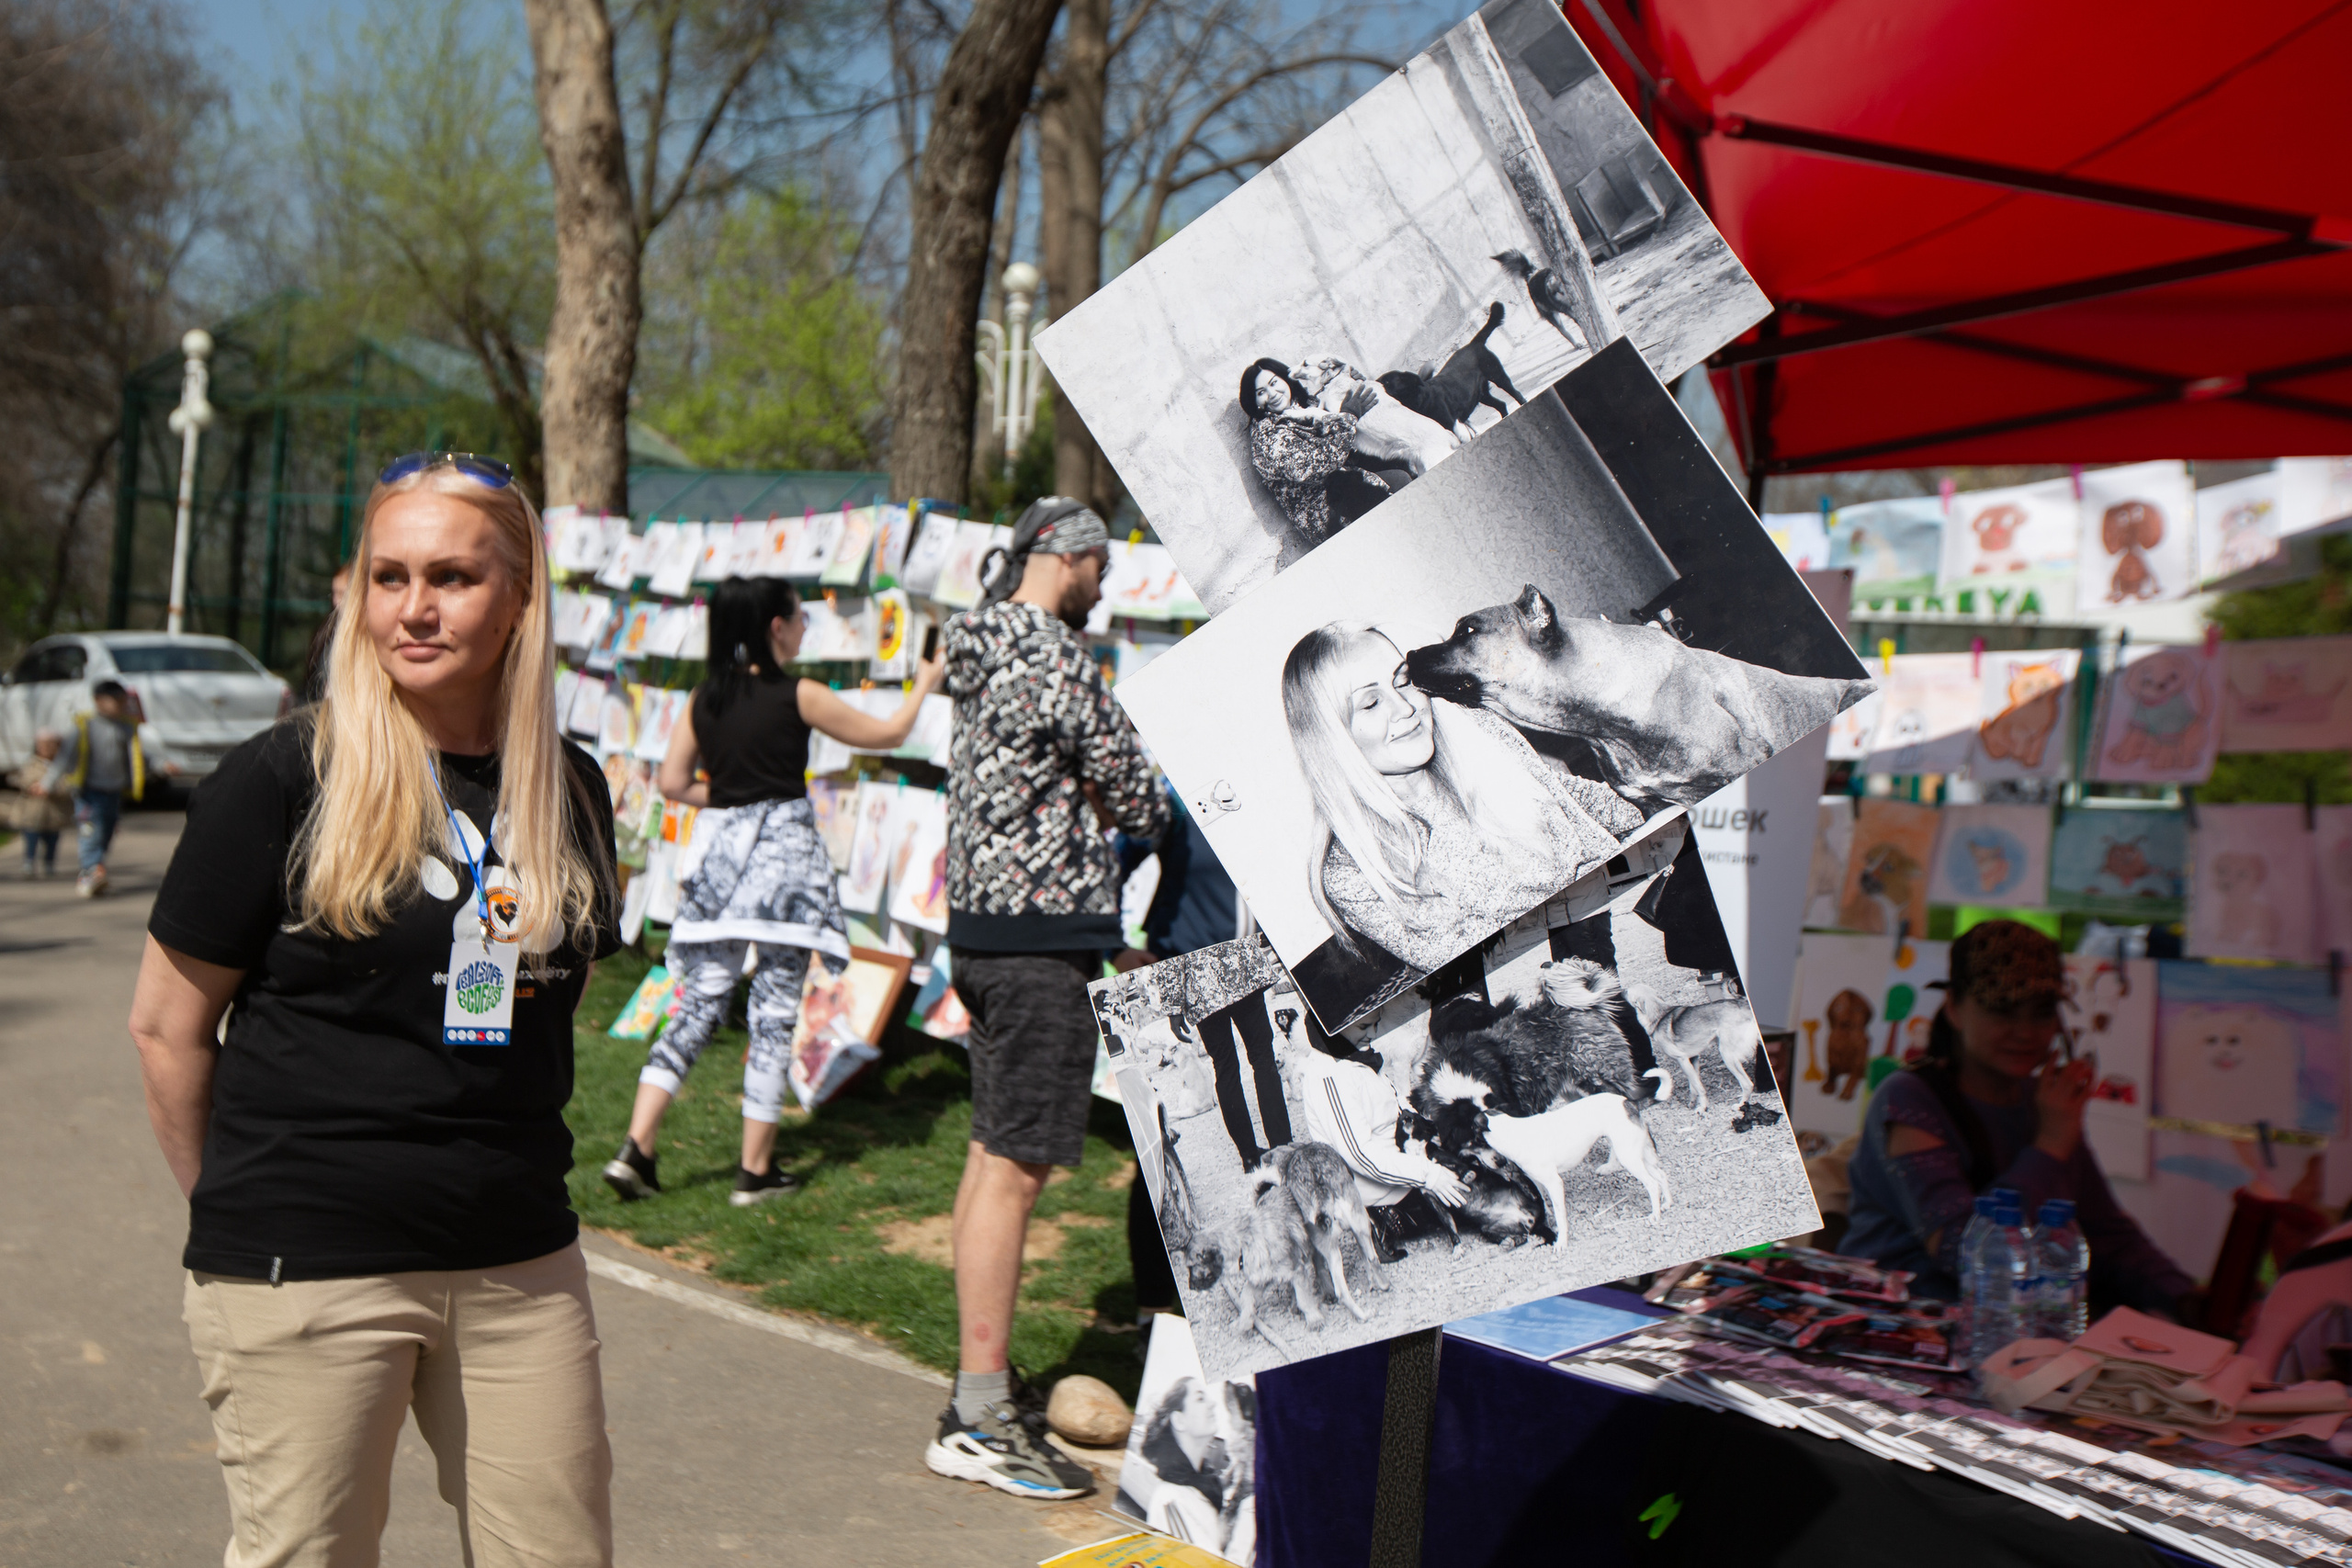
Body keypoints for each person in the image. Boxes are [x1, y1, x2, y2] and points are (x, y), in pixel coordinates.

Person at [126, 450, 622, 1565]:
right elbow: (165, 1025)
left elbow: (547, 1003)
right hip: (305, 1263)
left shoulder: (570, 788)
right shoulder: (281, 778)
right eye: (388, 576)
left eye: (452, 576)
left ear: (521, 597)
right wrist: (244, 1217)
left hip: (517, 1266)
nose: (415, 607)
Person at [928, 496, 1169, 1500]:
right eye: (1100, 562)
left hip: (982, 935)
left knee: (991, 1161)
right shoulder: (1059, 657)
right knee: (1017, 1173)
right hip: (1040, 947)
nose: (1105, 581)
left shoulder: (978, 651)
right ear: (1063, 557)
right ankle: (979, 1417)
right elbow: (1140, 797)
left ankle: (975, 1390)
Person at [603, 575, 944, 1207]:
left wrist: (732, 799)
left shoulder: (704, 699)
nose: (807, 626)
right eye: (799, 617)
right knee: (774, 1010)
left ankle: (636, 1147)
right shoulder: (801, 694)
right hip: (785, 871)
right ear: (775, 627)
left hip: (720, 867)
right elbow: (890, 733)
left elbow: (675, 783)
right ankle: (753, 1171)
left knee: (697, 1006)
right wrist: (926, 679)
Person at [1842, 919, 2194, 1314]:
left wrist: (2189, 1300)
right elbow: (1964, 1255)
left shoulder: (2040, 1101)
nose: (2025, 1032)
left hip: (2009, 1333)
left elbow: (2108, 1237)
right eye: (2003, 1010)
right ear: (1955, 1009)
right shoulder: (1908, 1098)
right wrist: (2050, 1144)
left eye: (2041, 1013)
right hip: (1894, 1335)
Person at [1283, 622, 1617, 973]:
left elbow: (1580, 803)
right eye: (1370, 703)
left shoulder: (1481, 732)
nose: (1405, 707)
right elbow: (1481, 963)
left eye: (1403, 680)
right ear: (1331, 738)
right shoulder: (1350, 873)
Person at [1294, 1004, 1467, 1257]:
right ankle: (1381, 1221)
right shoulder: (1328, 1077)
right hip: (1382, 1187)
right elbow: (1360, 1155)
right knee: (1473, 1196)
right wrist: (1428, 1175)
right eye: (1364, 1026)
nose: (1373, 1032)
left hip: (1403, 1161)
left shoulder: (1355, 1055)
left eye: (1375, 1023)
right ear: (1333, 1029)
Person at [38, 677, 165, 897]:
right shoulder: (85, 726)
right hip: (89, 792)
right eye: (114, 701)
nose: (119, 705)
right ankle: (91, 871)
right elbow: (65, 757)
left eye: (122, 701)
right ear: (98, 701)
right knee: (90, 832)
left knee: (105, 833)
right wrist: (46, 783)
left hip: (114, 792)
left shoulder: (126, 728)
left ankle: (95, 869)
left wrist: (162, 764)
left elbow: (139, 756)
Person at [1240, 358, 1392, 543]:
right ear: (1254, 401)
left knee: (1401, 467)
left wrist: (1350, 383)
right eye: (1261, 392)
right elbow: (1316, 467)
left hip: (1352, 487)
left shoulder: (1301, 406)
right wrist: (1347, 417)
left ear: (1286, 379)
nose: (1272, 393)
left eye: (1273, 383)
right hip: (1332, 514)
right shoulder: (1268, 437)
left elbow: (1337, 439)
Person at [7, 728, 71, 878]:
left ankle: (49, 863)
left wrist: (52, 789)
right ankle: (29, 863)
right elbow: (21, 778)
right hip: (33, 812)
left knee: (52, 841)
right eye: (43, 746)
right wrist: (32, 786)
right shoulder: (32, 763)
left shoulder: (62, 766)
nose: (47, 749)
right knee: (31, 838)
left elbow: (69, 785)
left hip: (54, 813)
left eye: (51, 746)